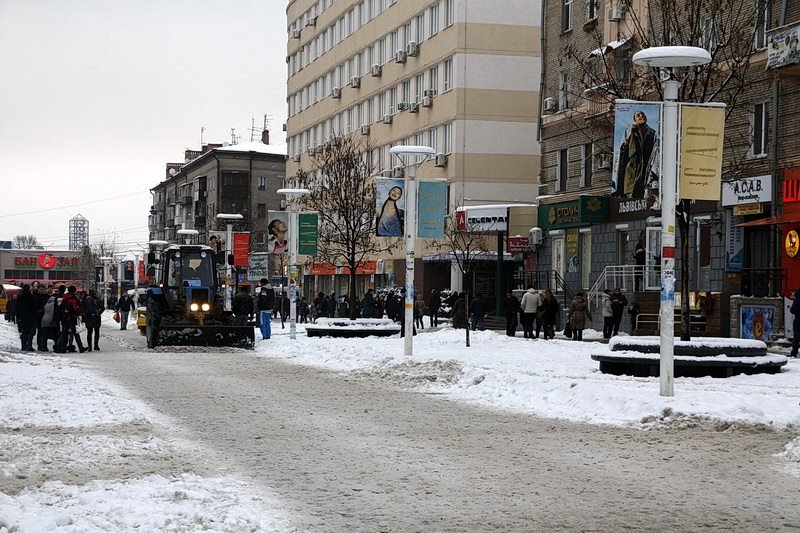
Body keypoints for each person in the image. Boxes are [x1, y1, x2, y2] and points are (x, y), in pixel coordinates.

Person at [614, 109, 658, 199]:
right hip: (631, 171)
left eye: (643, 114)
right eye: (638, 115)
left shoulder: (652, 133)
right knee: (631, 194)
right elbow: (622, 151)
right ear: (634, 120)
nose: (641, 116)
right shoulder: (630, 130)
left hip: (647, 170)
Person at [55, 286, 87, 353]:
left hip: (65, 318)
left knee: (64, 334)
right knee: (76, 334)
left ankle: (63, 348)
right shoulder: (75, 298)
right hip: (72, 318)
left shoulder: (64, 297)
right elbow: (79, 307)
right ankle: (80, 347)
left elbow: (60, 307)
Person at [15, 284, 37, 351]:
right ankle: (29, 345)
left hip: (22, 317)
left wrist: (17, 317)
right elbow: (34, 307)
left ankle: (23, 346)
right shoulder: (32, 297)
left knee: (24, 332)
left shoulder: (20, 297)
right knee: (30, 332)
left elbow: (17, 308)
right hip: (31, 317)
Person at [791, 288, 800, 357]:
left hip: (798, 320)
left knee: (796, 338)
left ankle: (794, 353)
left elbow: (792, 310)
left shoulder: (797, 301)